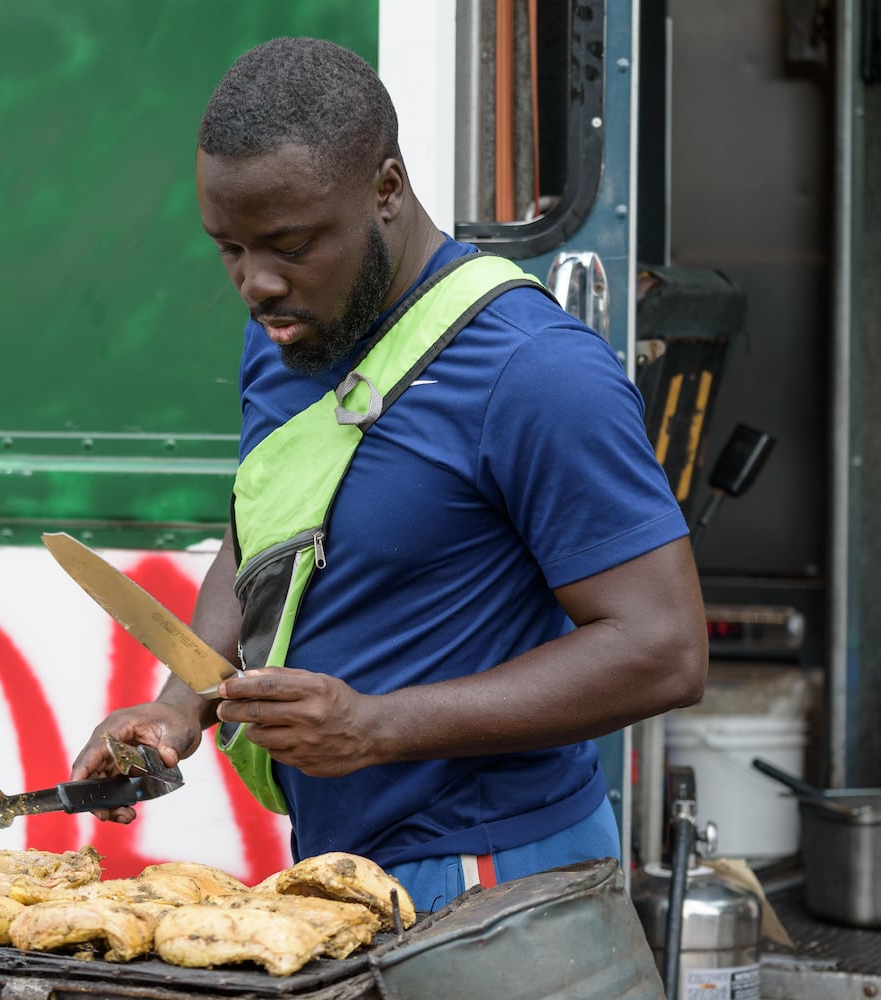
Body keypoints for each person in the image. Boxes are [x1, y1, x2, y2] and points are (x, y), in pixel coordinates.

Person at [70, 36, 707, 911]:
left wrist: (376, 725)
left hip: (499, 880)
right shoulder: (289, 332)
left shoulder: (536, 371)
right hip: (338, 870)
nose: (255, 284)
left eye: (290, 244)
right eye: (230, 248)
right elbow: (268, 526)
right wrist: (185, 706)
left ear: (387, 191)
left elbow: (663, 651)